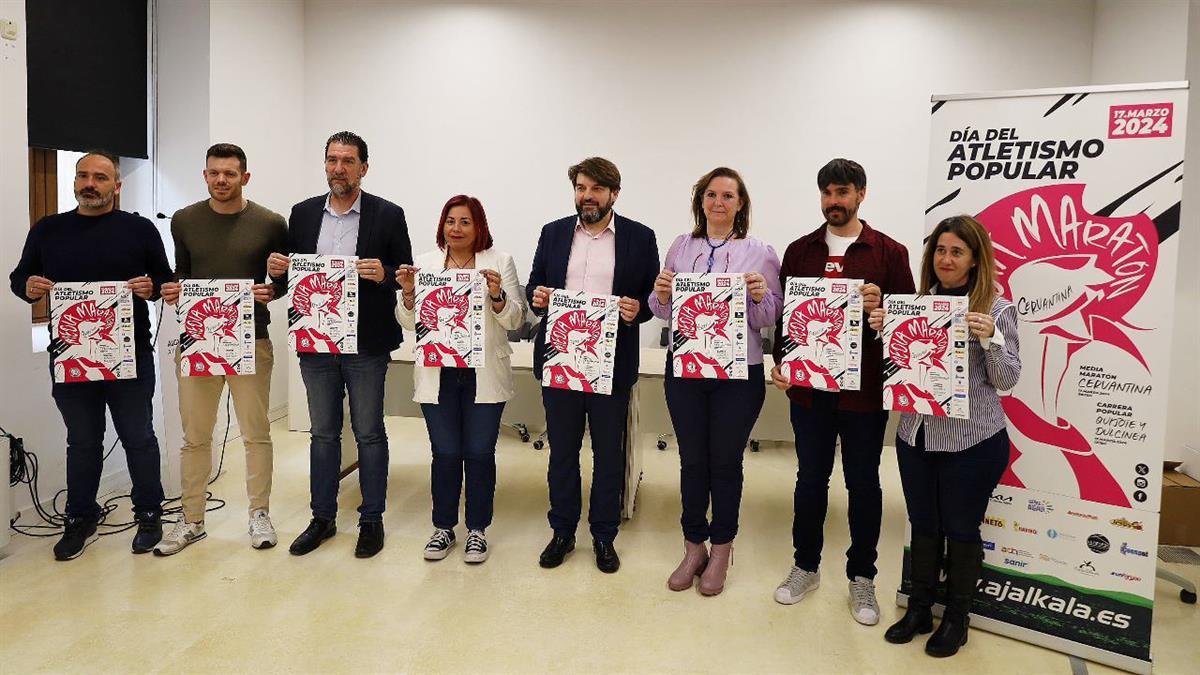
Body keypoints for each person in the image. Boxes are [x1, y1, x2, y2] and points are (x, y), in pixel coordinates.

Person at [770, 158, 915, 624]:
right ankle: (805, 566)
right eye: (827, 193)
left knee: (863, 483)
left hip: (864, 394)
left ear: (861, 194)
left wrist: (883, 306)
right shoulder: (800, 251)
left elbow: (909, 325)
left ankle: (862, 577)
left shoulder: (889, 253)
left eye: (843, 192)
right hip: (810, 392)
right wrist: (781, 363)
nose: (834, 201)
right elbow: (786, 320)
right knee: (810, 480)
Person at [9, 151, 173, 560]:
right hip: (71, 355)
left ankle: (149, 513)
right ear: (75, 182)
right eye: (83, 176)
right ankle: (80, 517)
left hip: (130, 355)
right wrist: (28, 287)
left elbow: (165, 280)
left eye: (100, 177)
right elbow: (19, 277)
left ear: (116, 185)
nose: (89, 184)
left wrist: (150, 288)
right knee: (82, 441)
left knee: (139, 437)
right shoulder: (49, 229)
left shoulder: (139, 229)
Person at [872, 214, 1020, 657]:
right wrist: (884, 331)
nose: (946, 259)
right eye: (940, 250)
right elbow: (900, 371)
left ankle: (957, 618)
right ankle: (919, 608)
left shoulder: (996, 309)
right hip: (916, 436)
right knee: (923, 524)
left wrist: (992, 339)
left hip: (971, 442)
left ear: (975, 259)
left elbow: (1007, 379)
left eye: (957, 251)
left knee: (960, 528)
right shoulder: (915, 305)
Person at [267, 131, 413, 559]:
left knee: (369, 432)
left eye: (348, 161)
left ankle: (372, 519)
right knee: (323, 433)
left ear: (364, 167)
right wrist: (276, 269)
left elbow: (403, 272)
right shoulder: (303, 213)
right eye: (332, 160)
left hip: (366, 343)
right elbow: (291, 278)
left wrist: (383, 274)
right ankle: (322, 518)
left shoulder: (388, 214)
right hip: (316, 342)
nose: (339, 168)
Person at [648, 167, 782, 595]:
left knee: (725, 462)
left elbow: (770, 316)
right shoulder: (680, 246)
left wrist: (760, 297)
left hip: (738, 374)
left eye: (727, 195)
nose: (718, 202)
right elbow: (662, 310)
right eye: (711, 194)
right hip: (686, 369)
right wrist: (661, 294)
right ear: (700, 201)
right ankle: (693, 546)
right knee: (692, 460)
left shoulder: (761, 252)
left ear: (740, 204)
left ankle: (721, 548)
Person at [527, 157, 659, 573]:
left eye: (596, 189)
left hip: (611, 365)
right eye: (581, 188)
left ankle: (603, 535)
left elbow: (652, 300)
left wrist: (638, 310)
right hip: (561, 360)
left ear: (614, 194)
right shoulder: (553, 232)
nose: (587, 196)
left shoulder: (640, 237)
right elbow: (534, 285)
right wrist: (539, 297)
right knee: (562, 453)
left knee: (608, 456)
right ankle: (562, 532)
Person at [154, 143, 287, 556]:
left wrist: (273, 290)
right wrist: (174, 288)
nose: (221, 180)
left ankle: (259, 514)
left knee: (256, 434)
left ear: (245, 177)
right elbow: (182, 272)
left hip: (252, 339)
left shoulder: (271, 222)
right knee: (195, 437)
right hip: (198, 340)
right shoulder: (184, 220)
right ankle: (191, 519)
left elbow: (282, 281)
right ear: (205, 175)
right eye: (214, 173)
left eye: (229, 173)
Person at [395, 195, 526, 563]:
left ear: (478, 226)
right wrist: (409, 293)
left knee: (480, 453)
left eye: (465, 221)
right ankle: (443, 528)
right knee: (446, 453)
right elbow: (409, 323)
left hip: (483, 374)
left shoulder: (499, 262)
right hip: (438, 372)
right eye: (450, 221)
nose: (456, 228)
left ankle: (477, 530)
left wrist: (498, 295)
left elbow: (516, 319)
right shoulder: (425, 264)